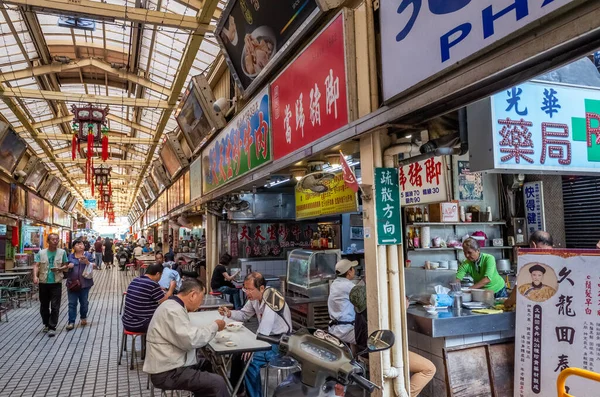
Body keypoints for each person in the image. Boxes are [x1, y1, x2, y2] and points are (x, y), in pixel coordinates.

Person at [144, 279, 227, 397]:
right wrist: (215, 326)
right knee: (217, 383)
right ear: (193, 295)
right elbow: (191, 340)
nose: (201, 302)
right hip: (167, 371)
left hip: (174, 362)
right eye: (201, 298)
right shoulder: (173, 310)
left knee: (209, 364)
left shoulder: (172, 305)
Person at [349, 285, 435, 397]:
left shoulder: (359, 312)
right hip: (381, 354)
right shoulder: (374, 313)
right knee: (429, 369)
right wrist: (403, 308)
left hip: (365, 354)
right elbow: (391, 331)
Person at [219, 272, 292, 397]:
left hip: (280, 341)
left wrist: (252, 346)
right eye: (245, 289)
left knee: (250, 359)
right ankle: (239, 390)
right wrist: (229, 313)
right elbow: (244, 314)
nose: (247, 293)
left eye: (250, 289)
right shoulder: (253, 299)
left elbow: (265, 328)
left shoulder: (272, 296)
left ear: (262, 288)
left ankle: (254, 395)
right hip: (265, 337)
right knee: (238, 352)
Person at [504, 230, 554, 308]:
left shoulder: (533, 261)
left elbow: (519, 289)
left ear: (533, 245)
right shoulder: (563, 257)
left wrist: (508, 302)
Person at [33, 233, 69, 337]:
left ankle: (52, 326)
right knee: (44, 306)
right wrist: (35, 276)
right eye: (53, 239)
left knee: (55, 306)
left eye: (57, 239)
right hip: (43, 282)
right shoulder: (41, 252)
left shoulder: (62, 252)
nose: (55, 241)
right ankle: (46, 324)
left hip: (56, 283)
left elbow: (66, 266)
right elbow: (36, 265)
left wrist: (59, 269)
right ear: (48, 241)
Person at [122, 263, 174, 333]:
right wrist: (171, 289)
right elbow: (164, 301)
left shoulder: (135, 280)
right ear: (158, 274)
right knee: (169, 320)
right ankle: (158, 343)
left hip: (127, 322)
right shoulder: (152, 284)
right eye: (161, 275)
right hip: (141, 324)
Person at [65, 240, 95, 330]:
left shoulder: (88, 255)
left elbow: (95, 265)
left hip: (85, 284)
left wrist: (87, 262)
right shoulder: (70, 256)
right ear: (74, 247)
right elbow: (64, 268)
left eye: (81, 244)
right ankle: (71, 322)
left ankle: (83, 317)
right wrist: (67, 266)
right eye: (77, 244)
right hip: (72, 283)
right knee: (72, 303)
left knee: (84, 302)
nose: (80, 246)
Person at [328, 259, 359, 344]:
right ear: (349, 272)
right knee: (370, 337)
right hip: (345, 331)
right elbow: (364, 299)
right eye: (352, 268)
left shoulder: (335, 284)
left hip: (334, 328)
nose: (354, 270)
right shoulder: (348, 286)